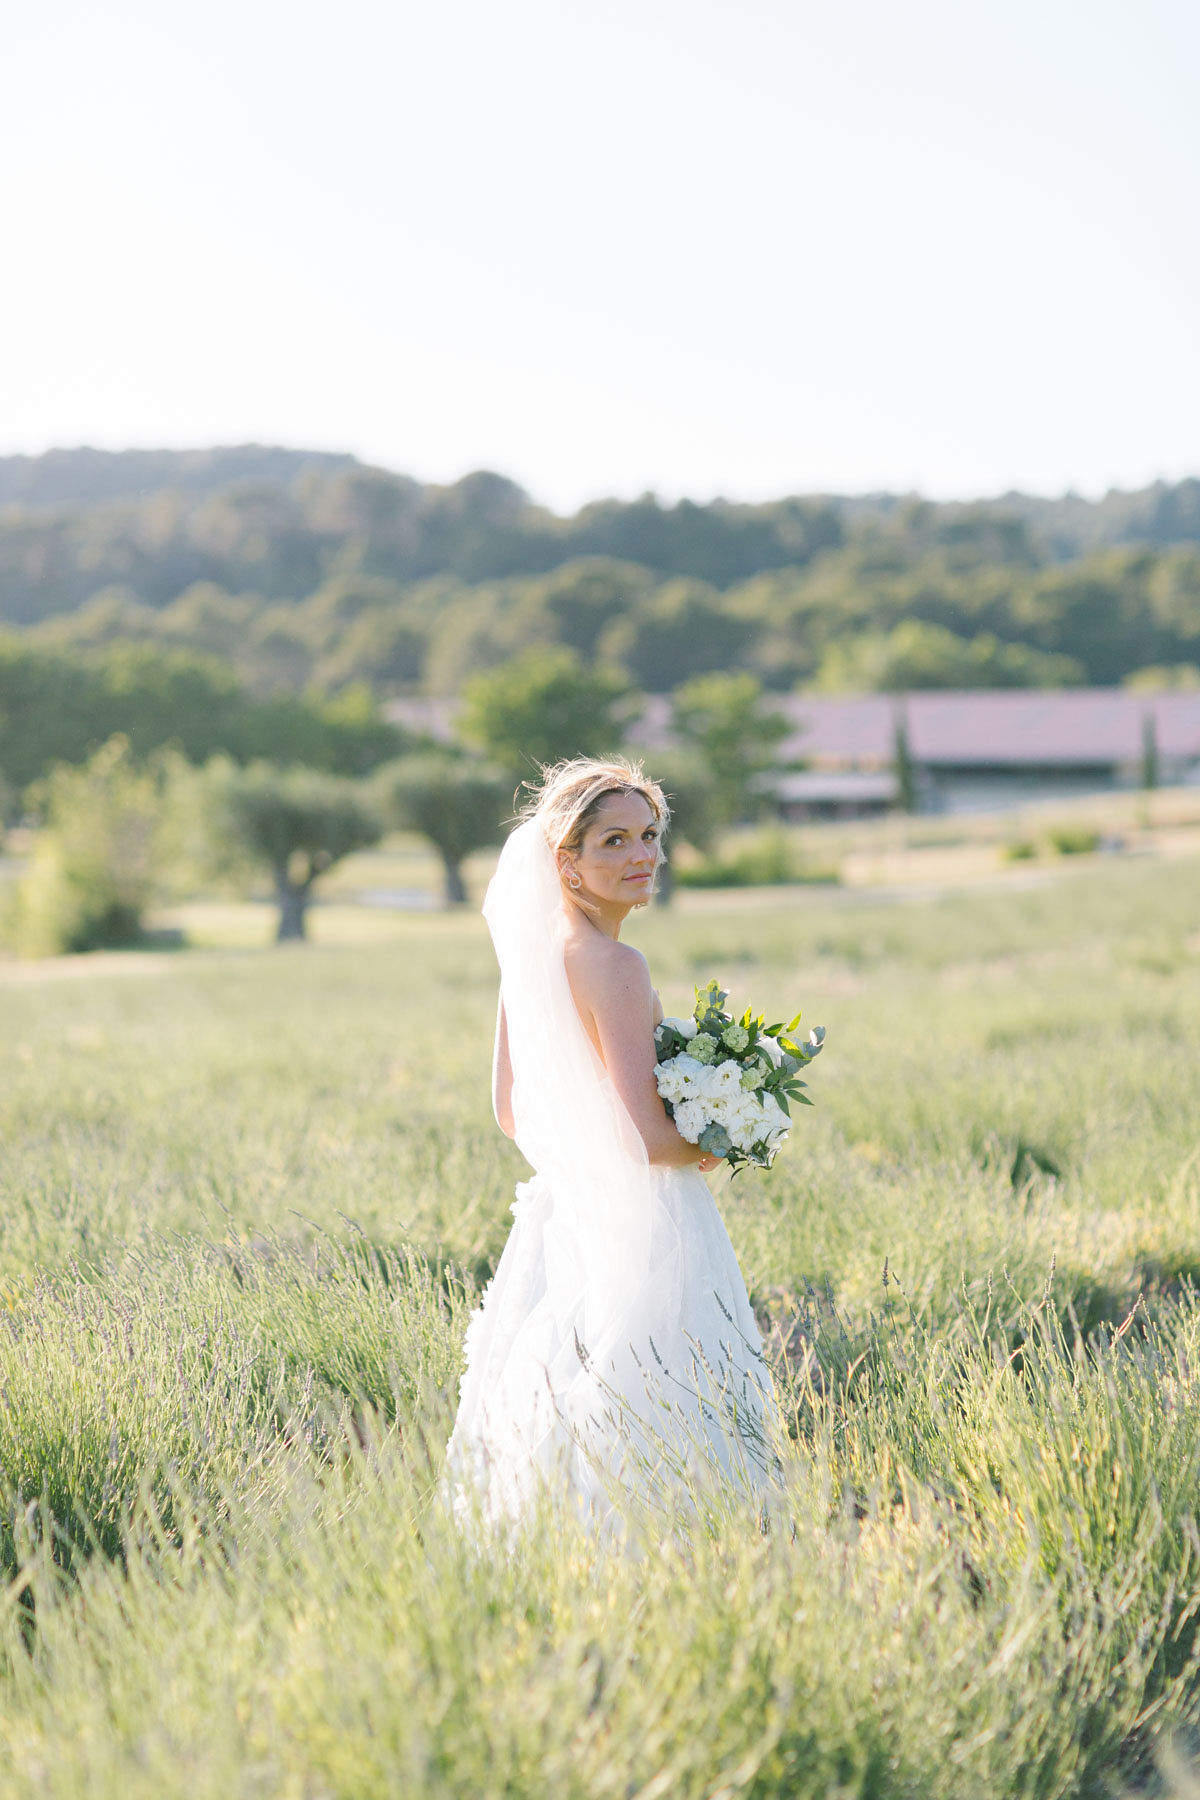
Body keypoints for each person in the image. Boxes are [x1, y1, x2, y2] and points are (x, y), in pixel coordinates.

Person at [443, 757, 777, 1534]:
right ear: (567, 862)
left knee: (570, 1394)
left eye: (650, 835)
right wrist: (724, 1133)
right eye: (614, 841)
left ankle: (564, 1544)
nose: (642, 855)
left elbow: (509, 1111)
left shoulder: (532, 959)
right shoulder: (618, 966)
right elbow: (645, 1139)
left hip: (568, 1213)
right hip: (648, 1220)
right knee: (667, 1395)